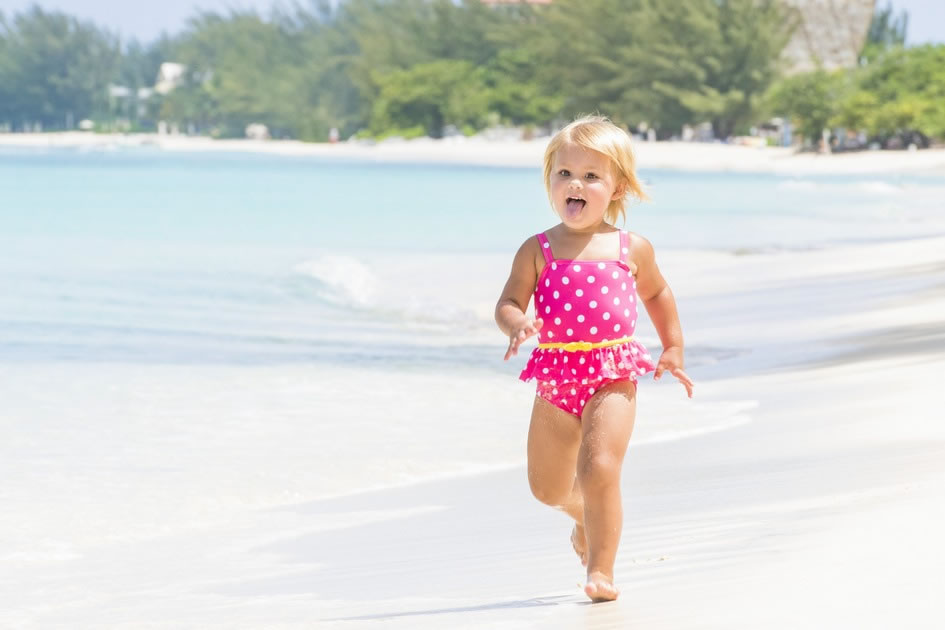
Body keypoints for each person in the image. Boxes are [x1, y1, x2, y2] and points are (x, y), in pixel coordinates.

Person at [495, 115, 694, 602]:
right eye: (564, 173)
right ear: (550, 182)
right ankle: (583, 515)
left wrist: (672, 347)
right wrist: (518, 323)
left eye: (590, 175)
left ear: (617, 187)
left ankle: (600, 571)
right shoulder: (537, 249)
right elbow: (508, 302)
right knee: (546, 488)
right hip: (556, 374)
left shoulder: (632, 248)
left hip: (613, 371)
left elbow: (659, 294)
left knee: (600, 466)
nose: (574, 184)